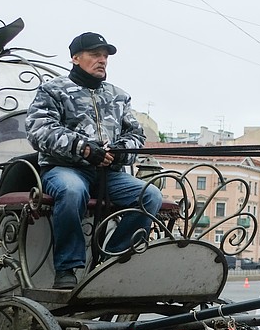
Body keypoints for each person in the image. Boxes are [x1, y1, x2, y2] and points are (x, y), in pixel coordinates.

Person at [26, 31, 163, 289]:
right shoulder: (52, 91)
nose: (102, 60)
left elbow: (135, 134)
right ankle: (67, 268)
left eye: (105, 56)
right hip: (65, 168)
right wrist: (84, 148)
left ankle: (111, 261)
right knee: (71, 190)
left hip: (108, 174)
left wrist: (119, 154)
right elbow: (39, 130)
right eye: (95, 54)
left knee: (150, 196)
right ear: (75, 58)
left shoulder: (118, 96)